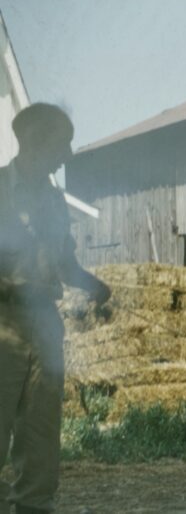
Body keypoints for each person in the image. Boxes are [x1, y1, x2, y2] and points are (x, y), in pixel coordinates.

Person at [0, 103, 110, 514]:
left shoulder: (55, 201)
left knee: (41, 438)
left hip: (45, 327)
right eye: (61, 142)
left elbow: (64, 265)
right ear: (33, 140)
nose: (67, 153)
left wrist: (94, 286)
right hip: (2, 324)